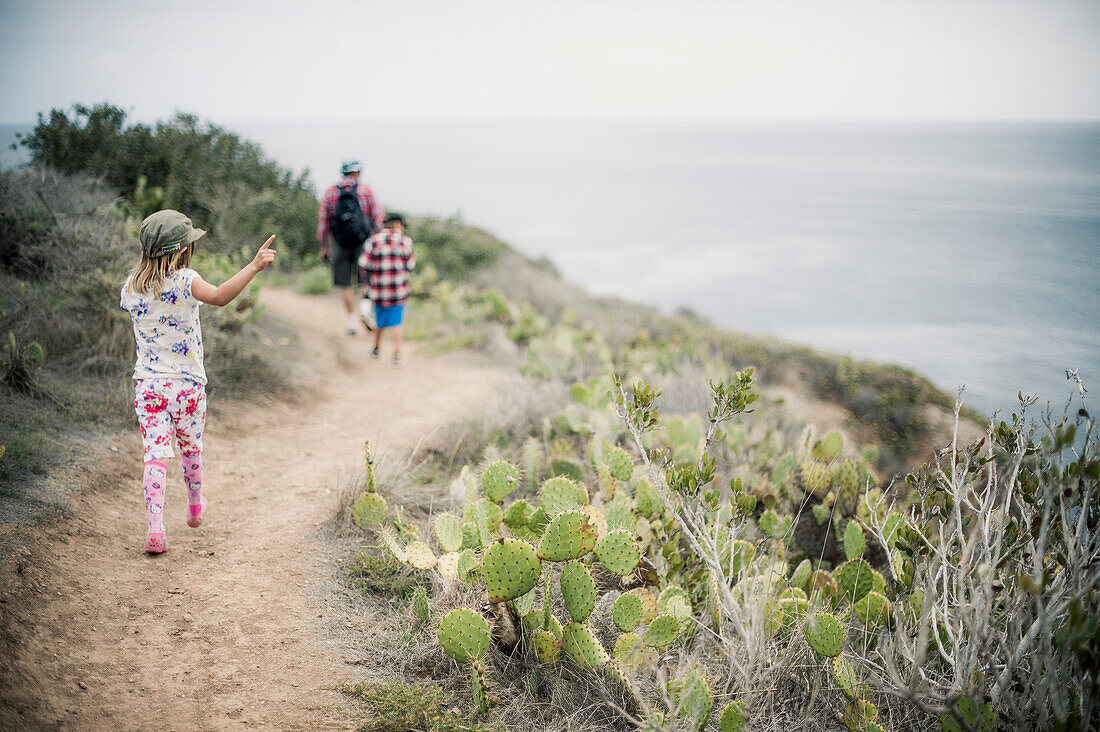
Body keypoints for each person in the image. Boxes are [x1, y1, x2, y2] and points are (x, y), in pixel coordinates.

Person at [119, 210, 277, 554]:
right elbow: (220, 296)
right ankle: (193, 507)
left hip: (148, 385)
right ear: (179, 250)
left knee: (155, 455)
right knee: (190, 449)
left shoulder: (131, 287)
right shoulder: (185, 280)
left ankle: (156, 529)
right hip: (187, 386)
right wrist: (253, 266)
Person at [317, 159, 384, 335]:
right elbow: (377, 218)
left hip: (339, 242)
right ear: (358, 173)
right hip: (362, 242)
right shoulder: (366, 190)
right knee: (365, 279)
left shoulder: (331, 192)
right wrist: (378, 239)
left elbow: (323, 223)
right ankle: (364, 310)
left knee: (345, 283)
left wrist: (324, 246)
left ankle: (351, 323)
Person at [360, 212, 416, 366]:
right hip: (399, 291)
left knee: (380, 320)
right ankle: (397, 354)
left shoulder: (373, 241)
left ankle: (376, 348)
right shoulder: (406, 242)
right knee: (397, 322)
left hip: (378, 290)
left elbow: (364, 265)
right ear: (397, 224)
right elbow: (410, 265)